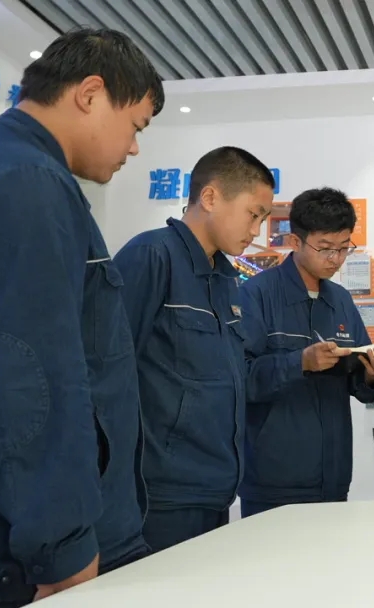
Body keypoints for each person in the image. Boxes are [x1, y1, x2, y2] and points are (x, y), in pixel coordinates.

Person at [0, 28, 163, 606]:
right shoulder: (25, 182)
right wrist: (62, 543)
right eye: (135, 126)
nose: (134, 148)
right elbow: (26, 375)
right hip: (7, 556)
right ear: (90, 93)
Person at [113, 147, 275, 552]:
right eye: (253, 214)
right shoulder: (151, 256)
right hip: (159, 494)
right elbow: (106, 373)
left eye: (262, 219)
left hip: (214, 489)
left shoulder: (225, 278)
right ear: (210, 197)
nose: (256, 230)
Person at [238, 187, 374, 516]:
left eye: (344, 248)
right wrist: (300, 362)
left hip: (334, 475)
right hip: (273, 479)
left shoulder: (341, 300)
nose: (336, 259)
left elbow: (359, 385)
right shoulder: (256, 294)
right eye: (325, 248)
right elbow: (240, 379)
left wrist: (372, 374)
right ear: (295, 242)